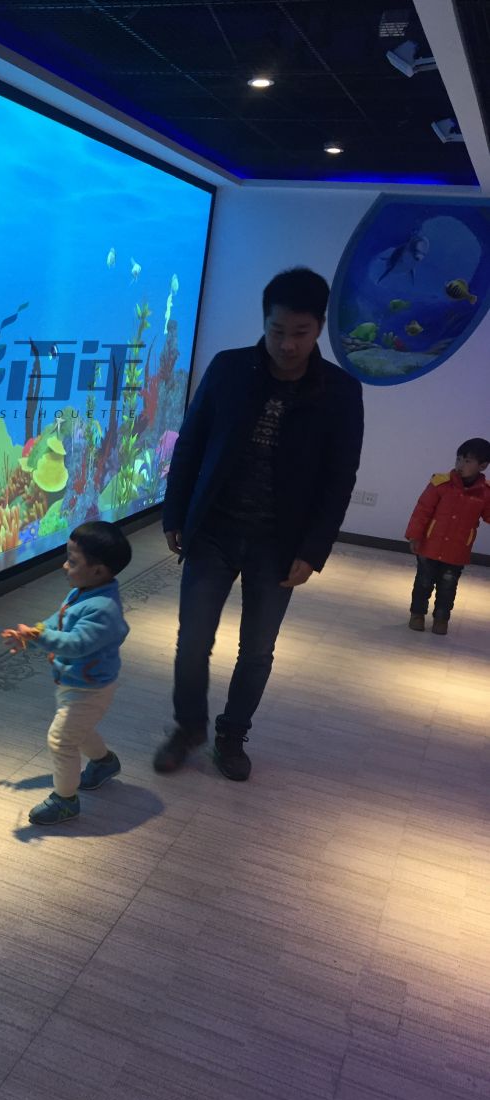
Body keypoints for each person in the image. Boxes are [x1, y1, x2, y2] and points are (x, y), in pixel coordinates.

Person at [156, 267, 364, 782]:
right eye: (277, 331)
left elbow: (339, 479)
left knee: (257, 650)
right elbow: (191, 443)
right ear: (264, 321)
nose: (287, 344)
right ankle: (188, 728)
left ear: (319, 328)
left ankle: (232, 735)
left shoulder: (340, 391)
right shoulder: (229, 369)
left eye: (300, 333)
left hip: (279, 543)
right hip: (213, 531)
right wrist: (176, 513)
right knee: (192, 641)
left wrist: (313, 550)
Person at [2, 521, 131, 825]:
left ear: (98, 571)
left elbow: (76, 644)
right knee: (78, 731)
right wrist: (33, 633)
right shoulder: (83, 592)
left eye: (72, 562)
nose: (64, 566)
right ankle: (104, 763)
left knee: (61, 740)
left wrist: (40, 637)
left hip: (90, 688)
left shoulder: (102, 609)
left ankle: (65, 800)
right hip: (77, 682)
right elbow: (58, 622)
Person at [405, 437, 490, 635]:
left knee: (448, 587)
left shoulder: (485, 493)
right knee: (423, 582)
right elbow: (422, 510)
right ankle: (417, 614)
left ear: (483, 466)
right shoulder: (440, 484)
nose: (460, 465)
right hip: (429, 546)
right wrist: (415, 536)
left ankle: (441, 619)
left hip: (457, 550)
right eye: (458, 459)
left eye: (467, 461)